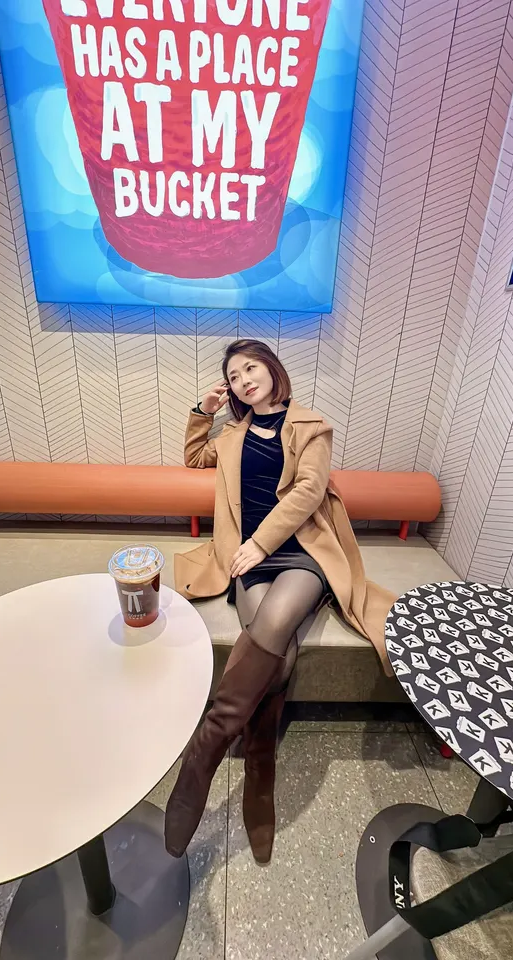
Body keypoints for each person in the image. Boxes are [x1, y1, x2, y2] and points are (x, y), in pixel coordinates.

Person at [165, 339, 396, 864]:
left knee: (271, 625)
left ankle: (206, 749)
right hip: (245, 555)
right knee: (279, 653)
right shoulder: (232, 433)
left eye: (252, 367)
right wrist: (204, 411)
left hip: (299, 553)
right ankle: (259, 775)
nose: (244, 379)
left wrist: (261, 545)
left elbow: (309, 491)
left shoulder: (311, 426)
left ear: (272, 369)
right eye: (234, 375)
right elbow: (195, 457)